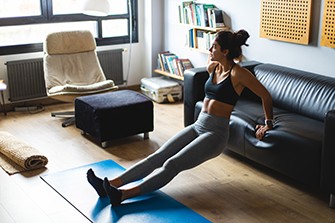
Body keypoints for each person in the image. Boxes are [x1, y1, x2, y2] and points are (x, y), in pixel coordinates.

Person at [87, 29, 273, 206]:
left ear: (225, 51)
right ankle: (111, 184)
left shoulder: (238, 73)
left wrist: (267, 123)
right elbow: (212, 74)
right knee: (158, 156)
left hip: (215, 134)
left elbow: (265, 95)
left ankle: (123, 195)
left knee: (172, 164)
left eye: (214, 47)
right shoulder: (213, 68)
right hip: (199, 125)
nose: (210, 50)